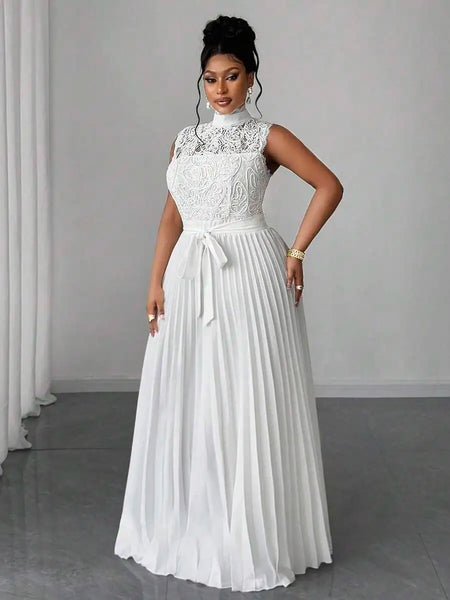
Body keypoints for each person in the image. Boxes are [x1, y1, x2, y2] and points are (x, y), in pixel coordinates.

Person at [114, 14, 343, 593]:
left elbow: (329, 185)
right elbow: (172, 216)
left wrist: (297, 250)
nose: (220, 89)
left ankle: (253, 533)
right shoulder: (184, 141)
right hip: (189, 274)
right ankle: (195, 521)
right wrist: (155, 280)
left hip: (250, 274)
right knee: (190, 392)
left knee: (247, 394)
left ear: (251, 77)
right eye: (211, 78)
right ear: (202, 80)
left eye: (232, 76)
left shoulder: (268, 136)